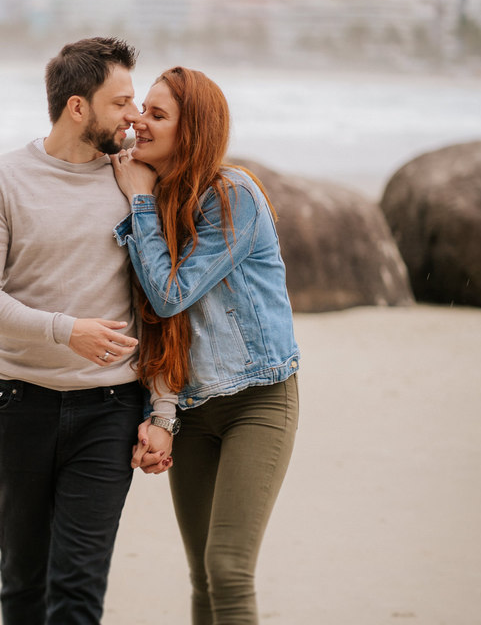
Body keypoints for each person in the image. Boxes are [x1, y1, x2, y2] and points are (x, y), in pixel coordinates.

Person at [0, 36, 176, 625]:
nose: (134, 115)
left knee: (78, 591)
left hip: (109, 410)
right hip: (17, 404)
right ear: (77, 107)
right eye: (122, 102)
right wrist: (65, 330)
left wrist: (162, 413)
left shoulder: (134, 180)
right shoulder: (1, 178)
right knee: (24, 586)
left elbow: (161, 306)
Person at [110, 66, 301, 625]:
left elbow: (171, 296)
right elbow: (158, 326)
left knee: (229, 568)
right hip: (192, 409)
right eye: (142, 109)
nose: (140, 123)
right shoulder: (154, 201)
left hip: (257, 401)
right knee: (201, 575)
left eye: (158, 115)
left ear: (191, 131)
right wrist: (163, 414)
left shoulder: (231, 196)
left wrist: (140, 202)